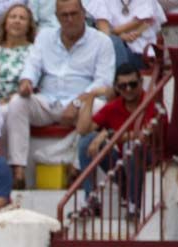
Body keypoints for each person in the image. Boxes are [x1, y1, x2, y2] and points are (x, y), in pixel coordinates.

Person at [6, 0, 114, 189]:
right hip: (48, 100)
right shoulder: (45, 37)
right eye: (64, 15)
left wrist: (79, 101)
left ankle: (77, 168)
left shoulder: (101, 41)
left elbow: (104, 82)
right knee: (17, 103)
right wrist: (26, 81)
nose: (70, 19)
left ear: (84, 14)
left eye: (74, 14)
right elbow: (33, 64)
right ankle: (19, 171)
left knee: (98, 107)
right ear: (57, 17)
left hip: (82, 103)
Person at [75, 63, 158, 218]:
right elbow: (82, 129)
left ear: (141, 82)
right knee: (86, 141)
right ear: (116, 88)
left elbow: (143, 133)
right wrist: (92, 96)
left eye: (133, 84)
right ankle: (91, 201)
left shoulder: (150, 101)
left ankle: (134, 205)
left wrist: (108, 134)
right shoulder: (115, 106)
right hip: (125, 165)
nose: (128, 89)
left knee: (130, 145)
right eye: (123, 86)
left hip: (150, 161)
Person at [0, 3, 36, 101]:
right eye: (13, 17)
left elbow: (34, 87)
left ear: (29, 26)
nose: (17, 21)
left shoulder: (34, 53)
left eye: (22, 18)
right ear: (5, 23)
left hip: (15, 105)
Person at [91, 0, 160, 70]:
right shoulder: (100, 2)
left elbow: (140, 21)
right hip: (114, 50)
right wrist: (120, 36)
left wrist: (116, 33)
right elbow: (104, 32)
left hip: (142, 54)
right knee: (112, 42)